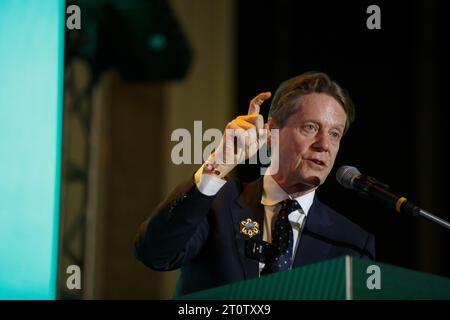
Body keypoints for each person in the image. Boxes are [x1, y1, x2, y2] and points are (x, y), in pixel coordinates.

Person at [134, 71, 375, 296]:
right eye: (311, 127)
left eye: (335, 134)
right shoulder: (217, 204)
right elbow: (155, 253)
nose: (324, 144)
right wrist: (219, 163)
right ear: (271, 132)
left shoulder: (351, 242)